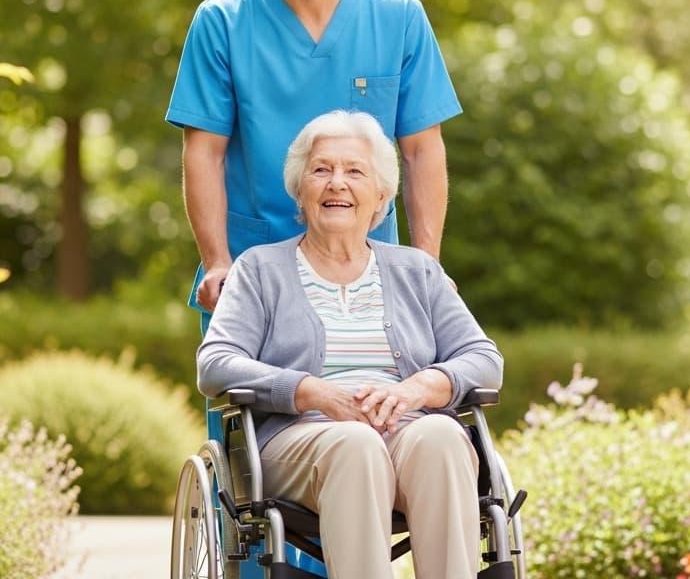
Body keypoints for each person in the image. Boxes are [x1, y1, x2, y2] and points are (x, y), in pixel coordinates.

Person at [197, 110, 502, 579]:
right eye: (322, 170)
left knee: (442, 436)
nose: (337, 183)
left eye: (355, 171)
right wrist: (311, 392)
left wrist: (417, 390)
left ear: (381, 194)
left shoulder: (417, 271)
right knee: (356, 444)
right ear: (300, 189)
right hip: (303, 441)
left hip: (407, 430)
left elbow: (484, 359)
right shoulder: (259, 270)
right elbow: (215, 364)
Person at [165, 0, 461, 316]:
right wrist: (217, 261)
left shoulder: (398, 17)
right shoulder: (221, 20)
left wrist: (424, 266)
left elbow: (422, 149)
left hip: (371, 278)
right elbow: (204, 151)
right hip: (251, 280)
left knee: (374, 394)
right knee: (259, 392)